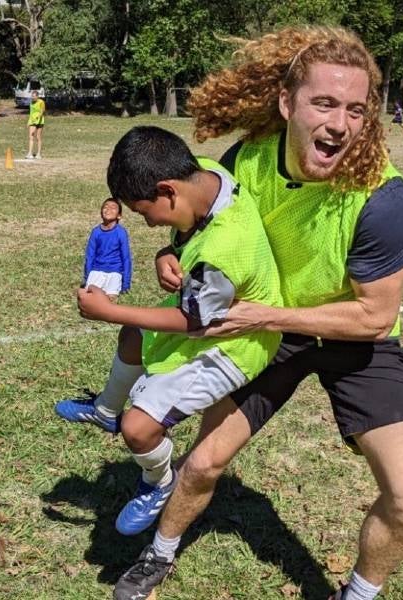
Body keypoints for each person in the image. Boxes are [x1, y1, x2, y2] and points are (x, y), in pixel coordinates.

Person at [99, 26, 403, 600]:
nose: (340, 123)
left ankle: (357, 594)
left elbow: (374, 318)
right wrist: (169, 254)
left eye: (356, 109)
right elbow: (199, 225)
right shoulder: (246, 161)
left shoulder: (382, 196)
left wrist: (266, 316)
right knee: (203, 463)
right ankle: (158, 555)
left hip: (351, 340)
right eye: (324, 103)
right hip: (268, 334)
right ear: (287, 103)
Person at [58, 125, 282, 539]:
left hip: (236, 342)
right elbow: (186, 241)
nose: (146, 224)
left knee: (139, 429)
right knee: (133, 334)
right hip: (210, 313)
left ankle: (159, 483)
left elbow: (193, 321)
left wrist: (111, 310)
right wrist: (168, 251)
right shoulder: (208, 175)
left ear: (167, 190)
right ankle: (106, 411)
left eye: (144, 213)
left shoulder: (224, 248)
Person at [82, 198, 133, 301]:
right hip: (97, 271)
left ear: (119, 215)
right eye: (105, 207)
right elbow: (90, 256)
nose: (108, 209)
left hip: (115, 272)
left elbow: (126, 258)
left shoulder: (121, 232)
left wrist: (126, 283)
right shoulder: (96, 232)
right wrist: (88, 276)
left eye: (113, 208)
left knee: (110, 298)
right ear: (101, 212)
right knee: (89, 297)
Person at [26, 90, 45, 159]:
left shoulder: (41, 102)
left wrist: (38, 117)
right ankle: (30, 153)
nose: (33, 98)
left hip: (40, 121)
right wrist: (29, 121)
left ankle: (39, 154)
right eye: (32, 96)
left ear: (37, 96)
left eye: (34, 96)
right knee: (31, 136)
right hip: (32, 121)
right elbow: (31, 113)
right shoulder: (31, 103)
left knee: (38, 137)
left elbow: (42, 111)